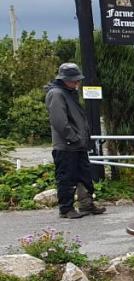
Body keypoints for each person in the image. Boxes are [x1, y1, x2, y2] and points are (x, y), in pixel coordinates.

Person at [44, 63, 105, 219]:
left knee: (85, 175)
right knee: (66, 178)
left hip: (77, 144)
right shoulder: (57, 94)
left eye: (77, 80)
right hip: (66, 146)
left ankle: (86, 204)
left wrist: (81, 139)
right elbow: (59, 121)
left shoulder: (69, 92)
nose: (77, 83)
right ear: (64, 79)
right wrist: (74, 138)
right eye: (74, 80)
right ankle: (66, 209)